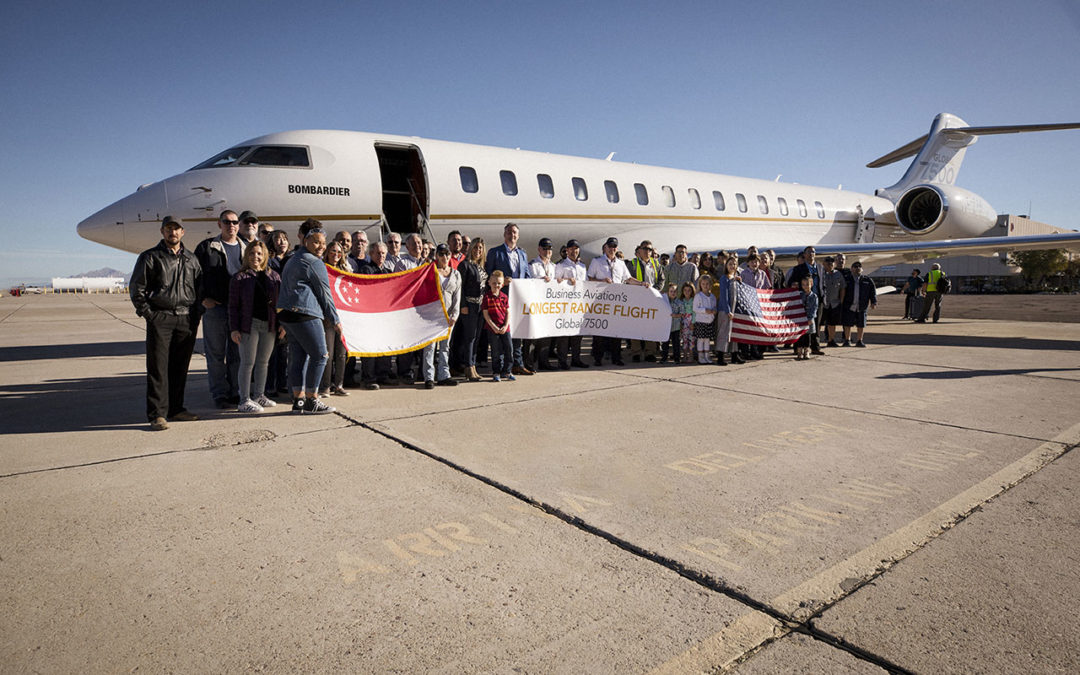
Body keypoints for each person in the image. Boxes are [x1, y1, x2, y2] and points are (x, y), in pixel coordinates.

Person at [130, 216, 202, 431]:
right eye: (169, 229)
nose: (173, 233)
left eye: (177, 229)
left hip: (186, 318)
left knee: (180, 367)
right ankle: (157, 414)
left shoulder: (191, 259)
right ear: (162, 232)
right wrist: (150, 315)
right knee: (158, 368)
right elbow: (137, 289)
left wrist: (196, 315)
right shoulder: (151, 257)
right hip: (161, 318)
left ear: (183, 232)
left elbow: (200, 289)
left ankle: (176, 409)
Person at [277, 225, 339, 414]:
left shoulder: (294, 258)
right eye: (316, 242)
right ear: (306, 241)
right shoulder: (313, 262)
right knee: (320, 356)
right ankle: (313, 399)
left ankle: (299, 401)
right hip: (304, 312)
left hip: (287, 313)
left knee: (299, 356)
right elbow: (324, 294)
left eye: (322, 243)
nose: (320, 246)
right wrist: (335, 320)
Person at [194, 209, 248, 408]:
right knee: (216, 354)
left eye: (235, 222)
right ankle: (219, 394)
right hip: (215, 309)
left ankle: (235, 391)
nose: (231, 225)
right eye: (227, 222)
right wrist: (202, 299)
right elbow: (194, 277)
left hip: (239, 311)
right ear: (219, 224)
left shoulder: (247, 248)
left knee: (237, 354)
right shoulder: (207, 247)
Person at [229, 240, 283, 412]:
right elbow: (233, 306)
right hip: (249, 325)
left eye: (259, 253)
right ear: (247, 256)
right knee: (247, 363)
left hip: (269, 325)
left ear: (265, 255)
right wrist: (234, 328)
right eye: (252, 253)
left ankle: (259, 395)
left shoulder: (273, 276)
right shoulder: (239, 277)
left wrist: (282, 325)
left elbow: (280, 303)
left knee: (263, 362)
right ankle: (244, 400)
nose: (255, 257)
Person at [485, 222, 532, 375]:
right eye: (509, 232)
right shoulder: (495, 252)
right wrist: (500, 281)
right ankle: (501, 367)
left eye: (515, 233)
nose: (512, 235)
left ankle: (517, 363)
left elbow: (527, 276)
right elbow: (488, 275)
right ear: (504, 235)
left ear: (518, 235)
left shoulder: (523, 254)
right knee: (500, 334)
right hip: (500, 299)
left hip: (518, 299)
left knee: (516, 331)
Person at [356, 242, 396, 389]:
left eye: (384, 253)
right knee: (371, 348)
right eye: (378, 253)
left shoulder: (387, 271)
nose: (381, 256)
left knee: (384, 346)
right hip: (370, 316)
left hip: (384, 317)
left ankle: (383, 374)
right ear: (371, 254)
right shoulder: (366, 270)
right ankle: (369, 377)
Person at [422, 244, 462, 388]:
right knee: (430, 347)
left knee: (445, 347)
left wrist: (455, 314)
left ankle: (444, 375)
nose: (444, 257)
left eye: (447, 254)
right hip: (432, 315)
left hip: (448, 315)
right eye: (441, 254)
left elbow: (457, 296)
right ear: (436, 256)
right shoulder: (430, 271)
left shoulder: (456, 274)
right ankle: (429, 377)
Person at [587, 237, 630, 366]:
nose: (612, 249)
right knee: (600, 330)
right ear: (605, 247)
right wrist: (602, 282)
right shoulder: (597, 261)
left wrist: (642, 283)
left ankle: (616, 357)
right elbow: (589, 279)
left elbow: (628, 279)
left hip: (616, 302)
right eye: (610, 246)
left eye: (614, 247)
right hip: (600, 301)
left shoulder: (621, 263)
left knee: (616, 332)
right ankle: (597, 357)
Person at [553, 239, 590, 369]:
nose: (574, 251)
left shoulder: (582, 266)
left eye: (576, 249)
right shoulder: (561, 265)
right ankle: (562, 361)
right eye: (571, 249)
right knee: (564, 335)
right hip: (564, 305)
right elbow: (555, 283)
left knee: (577, 334)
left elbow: (585, 283)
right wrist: (567, 280)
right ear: (567, 250)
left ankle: (576, 359)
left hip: (578, 304)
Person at [320, 242, 350, 396]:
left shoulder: (346, 270)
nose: (336, 255)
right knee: (328, 353)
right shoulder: (321, 268)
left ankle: (338, 385)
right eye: (333, 251)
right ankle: (325, 386)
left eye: (339, 252)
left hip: (343, 318)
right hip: (326, 319)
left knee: (341, 354)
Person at [625, 240, 663, 362]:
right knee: (635, 326)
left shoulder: (656, 264)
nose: (648, 251)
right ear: (639, 250)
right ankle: (636, 352)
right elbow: (627, 279)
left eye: (650, 249)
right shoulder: (632, 263)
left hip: (651, 299)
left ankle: (649, 352)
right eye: (645, 249)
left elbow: (661, 280)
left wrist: (655, 291)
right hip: (637, 299)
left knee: (649, 326)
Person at [457, 238, 488, 382]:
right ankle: (468, 366)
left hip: (480, 307)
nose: (478, 251)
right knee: (469, 338)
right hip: (469, 305)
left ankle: (473, 365)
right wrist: (462, 305)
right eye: (475, 248)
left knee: (476, 338)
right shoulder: (464, 265)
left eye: (480, 248)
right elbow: (460, 287)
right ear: (471, 249)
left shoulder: (481, 267)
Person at [525, 237, 557, 371]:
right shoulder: (532, 265)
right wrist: (541, 280)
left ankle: (544, 362)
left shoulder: (554, 267)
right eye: (544, 248)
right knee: (532, 337)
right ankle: (529, 363)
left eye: (549, 249)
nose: (547, 251)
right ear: (539, 249)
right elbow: (528, 281)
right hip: (536, 305)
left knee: (546, 337)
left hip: (548, 306)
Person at [787, 246, 824, 355]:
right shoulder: (798, 269)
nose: (811, 254)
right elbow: (790, 282)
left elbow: (823, 282)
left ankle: (815, 347)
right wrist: (794, 285)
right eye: (809, 252)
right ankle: (797, 348)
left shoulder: (820, 268)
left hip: (817, 299)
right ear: (804, 254)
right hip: (803, 300)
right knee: (800, 325)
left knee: (815, 325)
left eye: (813, 252)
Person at [482, 271, 515, 382]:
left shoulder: (504, 297)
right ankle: (496, 372)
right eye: (494, 283)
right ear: (489, 283)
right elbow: (485, 314)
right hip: (492, 329)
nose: (496, 285)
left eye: (499, 283)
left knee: (509, 349)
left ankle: (507, 371)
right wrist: (494, 327)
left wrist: (505, 325)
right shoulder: (487, 297)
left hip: (505, 328)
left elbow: (508, 312)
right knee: (496, 352)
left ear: (502, 284)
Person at [714, 256, 743, 365]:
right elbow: (724, 296)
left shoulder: (736, 278)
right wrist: (728, 310)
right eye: (730, 264)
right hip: (725, 310)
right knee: (723, 333)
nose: (732, 266)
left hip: (735, 310)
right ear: (726, 265)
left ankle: (734, 355)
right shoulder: (724, 278)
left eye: (734, 264)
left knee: (734, 334)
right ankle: (720, 356)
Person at [842, 261, 877, 347]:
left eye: (859, 267)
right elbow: (841, 291)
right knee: (847, 324)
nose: (857, 268)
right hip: (849, 306)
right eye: (855, 266)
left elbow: (873, 292)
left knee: (861, 324)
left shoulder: (867, 280)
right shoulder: (847, 279)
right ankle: (847, 340)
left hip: (862, 306)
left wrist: (873, 302)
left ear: (862, 269)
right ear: (851, 269)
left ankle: (859, 340)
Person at [820, 256, 847, 348]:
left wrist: (841, 301)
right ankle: (815, 341)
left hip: (834, 303)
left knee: (832, 324)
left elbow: (842, 288)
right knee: (819, 323)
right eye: (827, 262)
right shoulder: (820, 274)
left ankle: (831, 340)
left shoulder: (838, 274)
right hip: (823, 303)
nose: (830, 263)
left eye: (832, 262)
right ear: (823, 264)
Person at [692, 275, 717, 364]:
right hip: (701, 321)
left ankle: (707, 355)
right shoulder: (698, 296)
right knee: (701, 339)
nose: (705, 286)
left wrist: (714, 311)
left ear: (710, 285)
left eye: (707, 284)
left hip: (709, 321)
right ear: (700, 285)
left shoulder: (713, 296)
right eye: (703, 284)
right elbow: (695, 308)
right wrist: (704, 310)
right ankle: (700, 356)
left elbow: (714, 307)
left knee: (707, 340)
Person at [795, 275, 819, 360]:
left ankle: (806, 351)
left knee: (807, 336)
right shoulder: (799, 295)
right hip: (800, 319)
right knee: (800, 336)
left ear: (811, 284)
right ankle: (799, 351)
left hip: (809, 320)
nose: (805, 286)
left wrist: (810, 318)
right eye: (803, 284)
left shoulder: (814, 296)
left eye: (807, 284)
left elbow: (814, 308)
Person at [660, 283, 681, 364]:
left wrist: (676, 315)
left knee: (676, 344)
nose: (673, 293)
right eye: (671, 291)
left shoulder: (679, 302)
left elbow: (682, 314)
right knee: (665, 343)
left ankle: (677, 358)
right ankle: (664, 357)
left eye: (675, 291)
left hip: (676, 327)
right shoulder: (665, 301)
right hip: (666, 327)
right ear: (668, 292)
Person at [677, 282, 696, 363]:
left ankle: (691, 356)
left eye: (689, 290)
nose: (687, 292)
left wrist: (693, 322)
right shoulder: (681, 301)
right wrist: (681, 323)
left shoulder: (693, 300)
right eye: (685, 290)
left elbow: (694, 312)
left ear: (692, 291)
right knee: (684, 339)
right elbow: (680, 313)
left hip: (691, 320)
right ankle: (684, 356)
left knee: (691, 340)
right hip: (684, 321)